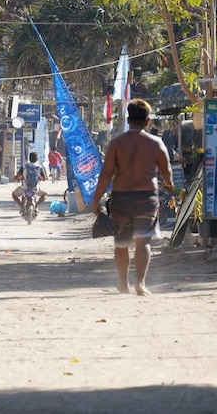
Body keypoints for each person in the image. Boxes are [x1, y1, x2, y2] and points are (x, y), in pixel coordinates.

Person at [90, 99, 173, 296]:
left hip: (121, 199)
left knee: (121, 242)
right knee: (143, 242)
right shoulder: (156, 143)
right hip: (147, 198)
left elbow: (106, 174)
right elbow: (166, 171)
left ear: (128, 120)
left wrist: (96, 200)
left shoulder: (117, 144)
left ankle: (122, 282)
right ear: (147, 121)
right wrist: (169, 185)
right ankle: (141, 283)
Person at [11, 151, 48, 217]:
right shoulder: (39, 167)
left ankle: (22, 206)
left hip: (24, 188)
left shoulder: (25, 166)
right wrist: (39, 178)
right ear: (37, 159)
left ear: (29, 158)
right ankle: (36, 206)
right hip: (35, 188)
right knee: (45, 194)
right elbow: (45, 178)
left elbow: (17, 176)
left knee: (14, 194)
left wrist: (15, 179)